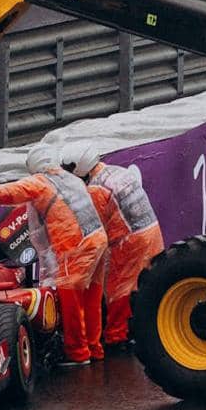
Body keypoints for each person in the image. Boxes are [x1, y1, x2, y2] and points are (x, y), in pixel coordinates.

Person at [0, 144, 108, 365]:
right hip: (98, 239)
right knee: (92, 298)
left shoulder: (39, 182)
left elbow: (7, 193)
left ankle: (78, 353)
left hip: (75, 246)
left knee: (71, 301)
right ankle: (95, 349)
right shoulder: (72, 179)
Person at [60, 141, 164, 348]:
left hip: (129, 242)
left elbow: (92, 227)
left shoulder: (97, 189)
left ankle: (117, 338)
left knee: (119, 291)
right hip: (151, 232)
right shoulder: (117, 171)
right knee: (146, 286)